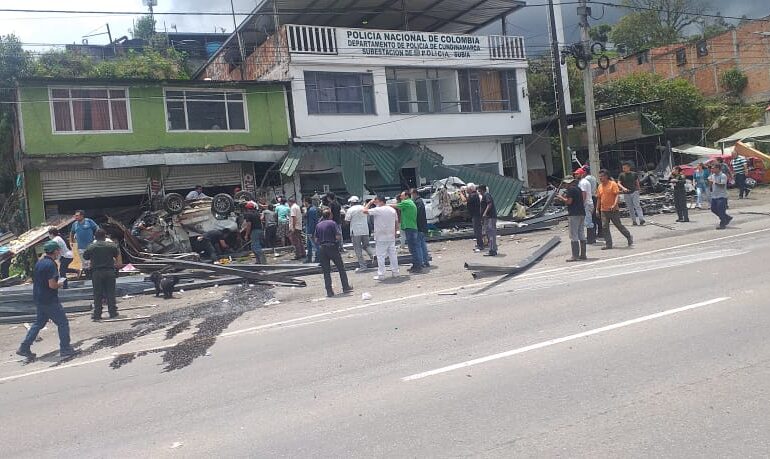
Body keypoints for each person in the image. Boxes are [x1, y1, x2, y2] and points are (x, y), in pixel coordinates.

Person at [17, 241, 79, 360]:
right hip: (49, 299)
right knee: (63, 323)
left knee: (39, 323)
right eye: (58, 250)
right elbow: (52, 285)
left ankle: (24, 347)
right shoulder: (51, 265)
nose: (59, 252)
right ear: (55, 251)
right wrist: (60, 283)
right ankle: (66, 349)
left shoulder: (40, 263)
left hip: (39, 297)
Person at [313, 208, 353, 297]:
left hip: (322, 248)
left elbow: (316, 239)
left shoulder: (318, 225)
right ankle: (345, 287)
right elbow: (338, 236)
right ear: (330, 215)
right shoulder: (333, 223)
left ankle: (329, 291)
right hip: (332, 247)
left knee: (326, 271)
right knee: (341, 268)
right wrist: (335, 242)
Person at [83, 229, 119, 320]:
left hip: (97, 272)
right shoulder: (111, 246)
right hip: (109, 271)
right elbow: (116, 254)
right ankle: (113, 312)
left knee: (97, 294)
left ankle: (97, 314)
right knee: (110, 292)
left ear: (95, 237)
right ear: (105, 236)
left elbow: (85, 256)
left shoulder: (91, 247)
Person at [364, 195, 400, 281]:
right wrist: (395, 232)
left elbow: (364, 211)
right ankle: (395, 272)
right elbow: (396, 222)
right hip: (391, 236)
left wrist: (370, 202)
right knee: (393, 255)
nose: (375, 202)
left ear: (380, 201)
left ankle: (381, 275)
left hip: (381, 237)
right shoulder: (392, 210)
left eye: (376, 201)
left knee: (380, 256)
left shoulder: (378, 210)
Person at [596, 169, 633, 250]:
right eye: (599, 177)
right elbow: (599, 198)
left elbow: (617, 195)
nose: (600, 178)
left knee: (618, 225)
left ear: (606, 176)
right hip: (603, 210)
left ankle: (628, 236)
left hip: (613, 210)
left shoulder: (613, 184)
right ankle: (608, 244)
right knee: (605, 227)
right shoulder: (600, 186)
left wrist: (614, 205)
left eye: (601, 176)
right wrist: (597, 210)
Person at [392, 191, 423, 273]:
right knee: (414, 248)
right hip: (411, 227)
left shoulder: (407, 202)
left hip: (410, 228)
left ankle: (417, 266)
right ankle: (416, 265)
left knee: (413, 248)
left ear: (406, 196)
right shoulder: (410, 203)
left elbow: (396, 206)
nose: (401, 197)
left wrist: (384, 205)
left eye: (402, 196)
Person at [557, 176, 587, 262]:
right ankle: (583, 254)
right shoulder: (578, 189)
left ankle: (575, 255)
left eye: (566, 183)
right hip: (581, 213)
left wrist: (561, 197)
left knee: (574, 235)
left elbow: (569, 201)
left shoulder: (571, 190)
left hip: (574, 214)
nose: (565, 185)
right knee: (581, 233)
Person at [345, 196, 375, 272]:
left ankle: (363, 266)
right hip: (365, 230)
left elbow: (347, 221)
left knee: (358, 249)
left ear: (352, 202)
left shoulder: (350, 210)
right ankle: (373, 255)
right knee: (367, 245)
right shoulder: (364, 208)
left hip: (355, 232)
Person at [574, 168, 596, 244]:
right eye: (575, 174)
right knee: (588, 221)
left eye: (577, 174)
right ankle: (591, 238)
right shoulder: (583, 182)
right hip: (588, 203)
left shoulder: (583, 182)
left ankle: (591, 239)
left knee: (588, 221)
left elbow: (584, 193)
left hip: (587, 203)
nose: (576, 175)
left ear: (582, 174)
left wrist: (582, 204)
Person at [411, 188, 431, 268]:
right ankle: (426, 261)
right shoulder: (420, 202)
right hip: (422, 227)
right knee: (423, 245)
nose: (411, 196)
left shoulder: (417, 202)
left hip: (419, 227)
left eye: (411, 194)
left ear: (415, 193)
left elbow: (417, 215)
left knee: (418, 245)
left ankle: (421, 262)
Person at [709, 163, 733, 230]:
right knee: (713, 209)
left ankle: (722, 224)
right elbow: (710, 184)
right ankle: (727, 217)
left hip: (721, 196)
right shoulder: (712, 175)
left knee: (721, 210)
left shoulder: (723, 176)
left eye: (714, 168)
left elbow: (722, 185)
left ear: (718, 169)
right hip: (714, 196)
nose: (712, 169)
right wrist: (710, 184)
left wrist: (715, 182)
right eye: (712, 168)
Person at [583, 166, 602, 239]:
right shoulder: (593, 177)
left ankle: (592, 235)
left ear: (585, 172)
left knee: (590, 218)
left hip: (589, 198)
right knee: (596, 217)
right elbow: (597, 185)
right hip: (594, 197)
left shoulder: (586, 179)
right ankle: (600, 233)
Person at [464, 183, 484, 252]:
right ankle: (480, 244)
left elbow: (467, 203)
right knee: (478, 230)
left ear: (471, 189)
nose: (466, 190)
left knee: (477, 231)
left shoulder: (473, 196)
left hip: (476, 215)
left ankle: (480, 245)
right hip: (476, 215)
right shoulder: (475, 195)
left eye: (467, 189)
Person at [479, 184, 498, 257]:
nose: (479, 192)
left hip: (490, 217)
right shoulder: (486, 195)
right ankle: (493, 249)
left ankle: (492, 250)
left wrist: (484, 213)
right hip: (489, 217)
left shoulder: (486, 195)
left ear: (482, 190)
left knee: (491, 234)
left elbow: (489, 204)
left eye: (479, 190)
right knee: (489, 233)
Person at [304, 197, 320, 263]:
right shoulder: (312, 209)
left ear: (306, 202)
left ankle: (318, 258)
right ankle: (309, 258)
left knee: (315, 245)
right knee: (309, 245)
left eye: (304, 201)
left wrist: (310, 232)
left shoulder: (311, 210)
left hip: (311, 230)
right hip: (310, 229)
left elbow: (311, 222)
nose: (304, 203)